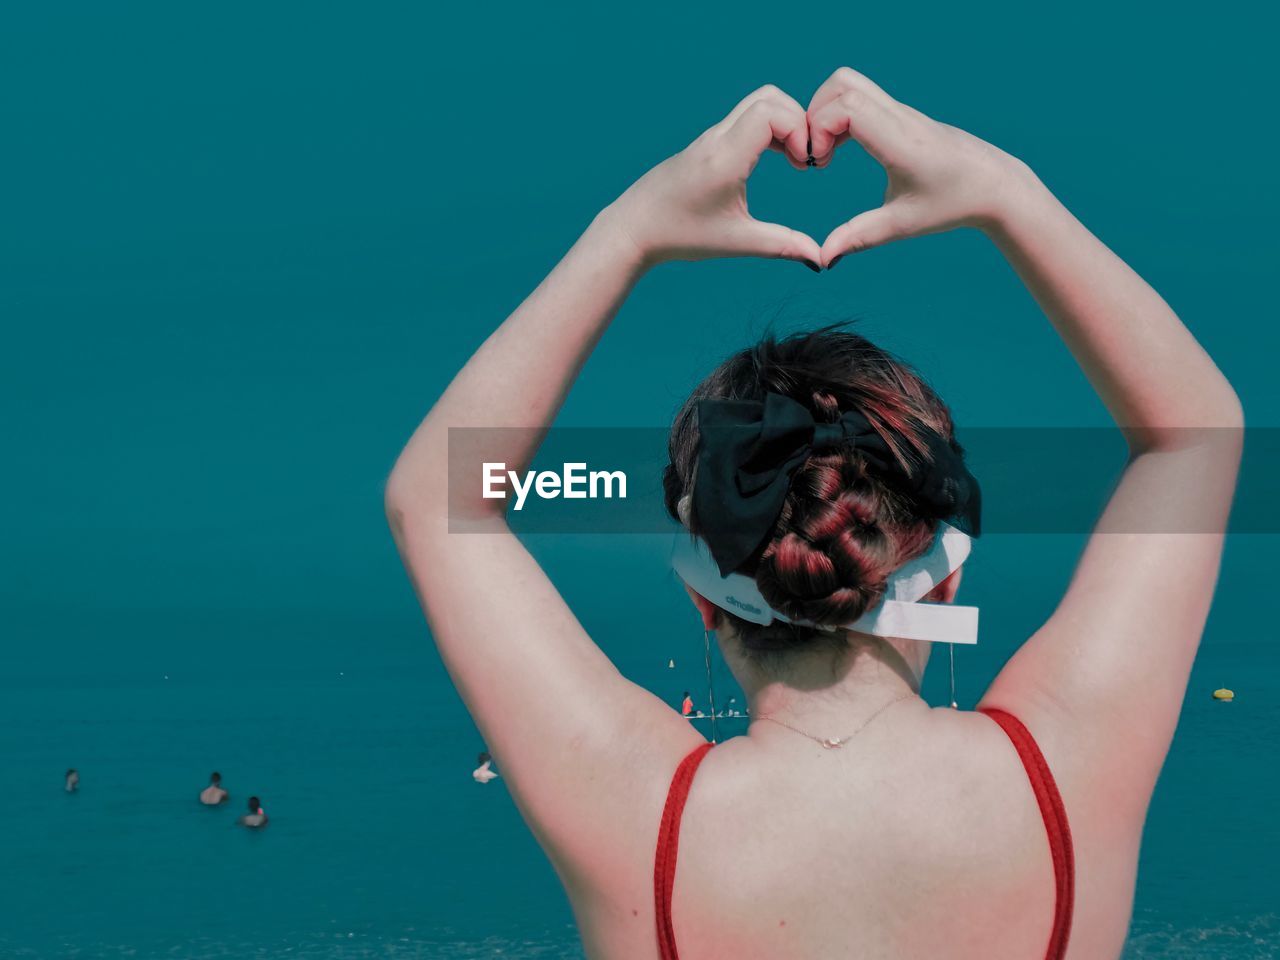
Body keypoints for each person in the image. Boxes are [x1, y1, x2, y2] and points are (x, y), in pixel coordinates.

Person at [384, 68, 1241, 959]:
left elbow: (438, 498)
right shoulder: (1064, 773)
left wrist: (627, 232)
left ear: (705, 600)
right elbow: (1197, 436)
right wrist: (1004, 193)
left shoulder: (639, 818)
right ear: (945, 577)